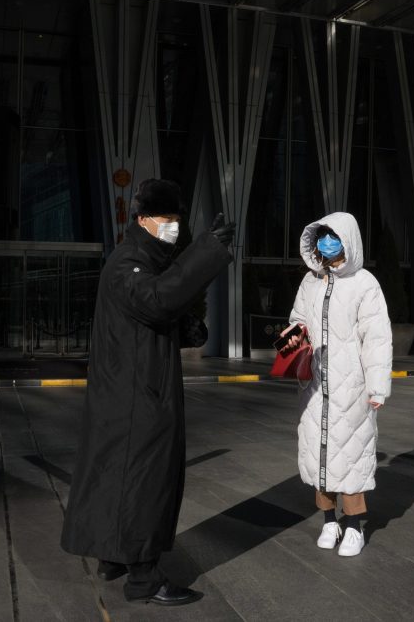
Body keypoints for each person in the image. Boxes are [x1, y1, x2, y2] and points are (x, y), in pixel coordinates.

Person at [60, 179, 235, 606]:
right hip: (137, 397)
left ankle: (113, 557)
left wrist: (185, 326)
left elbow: (147, 320)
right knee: (144, 484)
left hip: (131, 392)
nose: (174, 227)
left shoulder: (142, 261)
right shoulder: (129, 264)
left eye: (177, 220)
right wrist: (206, 252)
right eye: (167, 219)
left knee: (117, 480)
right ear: (142, 219)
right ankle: (144, 579)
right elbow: (155, 301)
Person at [281, 212, 392, 557]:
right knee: (320, 455)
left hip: (351, 387)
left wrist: (377, 386)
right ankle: (329, 519)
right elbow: (297, 321)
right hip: (315, 386)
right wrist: (292, 349)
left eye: (332, 236)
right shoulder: (310, 281)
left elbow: (376, 338)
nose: (325, 243)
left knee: (351, 456)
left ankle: (354, 526)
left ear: (348, 239)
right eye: (321, 237)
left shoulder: (364, 284)